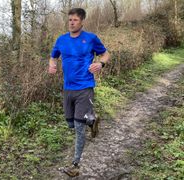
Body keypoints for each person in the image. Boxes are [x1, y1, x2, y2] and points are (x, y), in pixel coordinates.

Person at [48, 8, 110, 177]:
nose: (71, 23)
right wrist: (52, 64)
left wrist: (100, 64)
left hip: (85, 88)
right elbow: (53, 56)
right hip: (68, 89)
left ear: (82, 21)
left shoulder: (90, 38)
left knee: (78, 128)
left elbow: (105, 54)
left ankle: (75, 165)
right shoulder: (61, 40)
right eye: (70, 20)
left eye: (75, 20)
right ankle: (92, 120)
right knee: (71, 124)